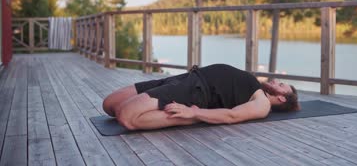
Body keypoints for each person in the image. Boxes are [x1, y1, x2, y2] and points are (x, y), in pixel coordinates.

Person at [103, 64, 300, 130]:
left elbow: (232, 115)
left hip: (197, 90)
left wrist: (193, 114)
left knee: (126, 116)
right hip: (186, 78)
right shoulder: (258, 86)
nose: (276, 82)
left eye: (281, 86)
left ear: (282, 98)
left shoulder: (262, 104)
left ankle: (180, 119)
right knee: (110, 104)